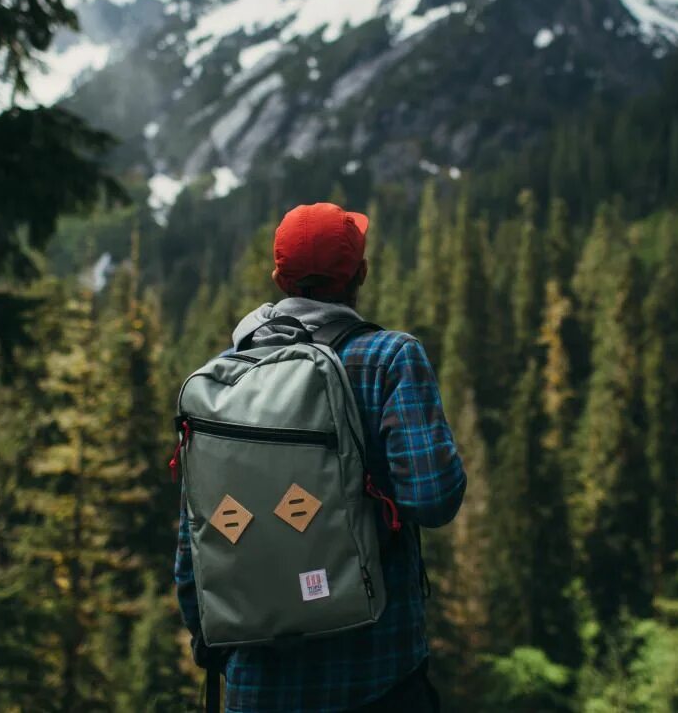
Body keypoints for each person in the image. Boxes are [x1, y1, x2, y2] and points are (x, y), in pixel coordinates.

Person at [175, 202, 467, 712]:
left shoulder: (222, 378)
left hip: (259, 683)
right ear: (362, 273)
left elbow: (194, 542)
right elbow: (434, 498)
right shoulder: (390, 358)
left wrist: (212, 640)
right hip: (379, 671)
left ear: (278, 277)